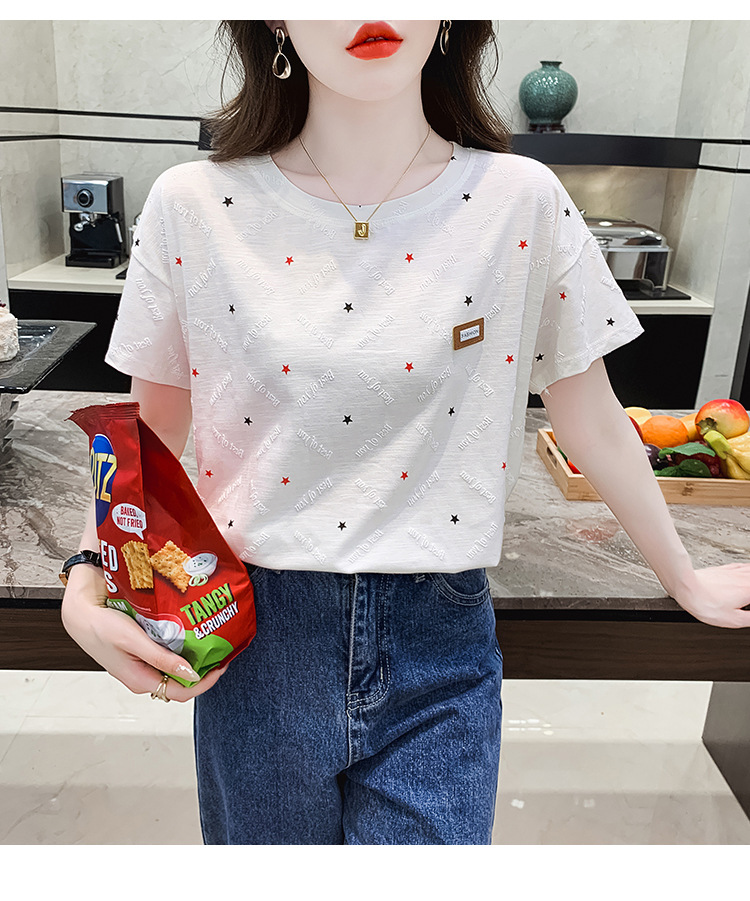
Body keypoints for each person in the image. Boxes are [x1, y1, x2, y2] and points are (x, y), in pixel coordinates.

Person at [60, 19, 750, 846]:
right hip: (255, 640)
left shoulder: (520, 200)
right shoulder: (192, 205)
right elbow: (146, 433)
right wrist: (87, 573)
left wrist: (683, 574)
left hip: (442, 642)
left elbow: (591, 413)